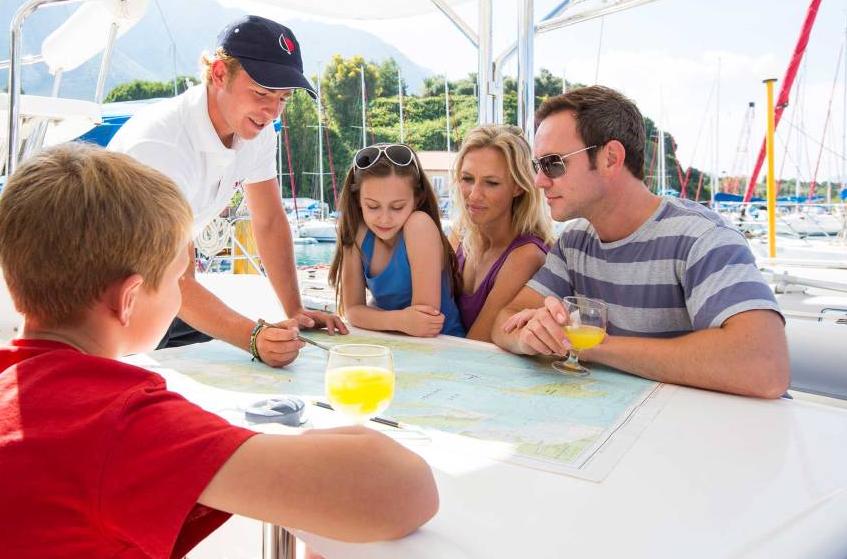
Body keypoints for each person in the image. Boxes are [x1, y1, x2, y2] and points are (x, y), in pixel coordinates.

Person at [0, 144, 438, 557]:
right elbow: (405, 493)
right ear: (131, 299)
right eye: (182, 275)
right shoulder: (117, 422)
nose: (185, 287)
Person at [491, 86, 790, 399]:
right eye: (538, 166)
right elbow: (504, 320)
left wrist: (591, 344)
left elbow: (765, 366)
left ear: (610, 158)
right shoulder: (575, 242)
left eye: (553, 163)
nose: (539, 181)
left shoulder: (702, 239)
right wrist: (528, 337)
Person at [108, 15, 345, 367]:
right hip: (112, 304)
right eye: (262, 93)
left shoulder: (259, 130)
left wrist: (295, 310)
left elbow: (267, 220)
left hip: (166, 295)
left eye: (283, 98)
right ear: (219, 74)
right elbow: (171, 274)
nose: (271, 111)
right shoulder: (163, 146)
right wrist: (253, 338)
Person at [329, 143, 465, 338]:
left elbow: (424, 323)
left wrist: (378, 318)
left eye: (397, 207)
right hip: (394, 340)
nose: (384, 219)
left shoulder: (420, 226)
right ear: (358, 200)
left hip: (445, 345)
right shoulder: (357, 233)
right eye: (373, 207)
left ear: (417, 199)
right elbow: (352, 311)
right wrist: (398, 320)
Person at [450, 124, 553, 341]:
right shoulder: (459, 235)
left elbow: (478, 341)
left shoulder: (526, 255)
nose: (474, 195)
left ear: (518, 187)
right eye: (467, 179)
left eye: (491, 183)